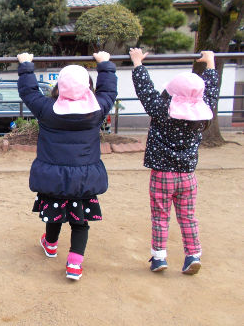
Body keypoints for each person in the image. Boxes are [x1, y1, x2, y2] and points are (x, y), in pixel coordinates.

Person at [17, 52, 118, 280]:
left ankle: (51, 245)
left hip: (53, 177)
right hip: (84, 178)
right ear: (88, 87)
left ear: (59, 87)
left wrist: (25, 65)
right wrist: (104, 64)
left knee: (54, 213)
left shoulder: (46, 109)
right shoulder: (97, 109)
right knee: (79, 221)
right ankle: (74, 264)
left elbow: (28, 92)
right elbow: (109, 91)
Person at [129, 48, 219, 275]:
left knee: (160, 217)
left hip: (162, 175)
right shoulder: (203, 112)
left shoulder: (163, 110)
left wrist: (138, 63)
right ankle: (193, 254)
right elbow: (212, 92)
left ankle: (159, 258)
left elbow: (146, 92)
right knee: (187, 216)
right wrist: (210, 63)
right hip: (188, 175)